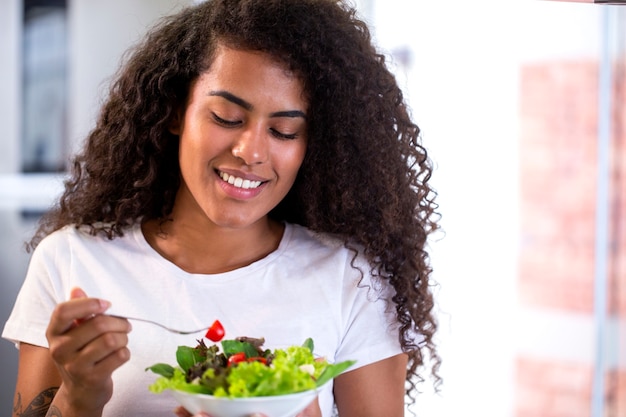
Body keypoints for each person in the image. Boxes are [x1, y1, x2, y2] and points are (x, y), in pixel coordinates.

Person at [2, 0, 441, 416]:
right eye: (227, 117)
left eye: (284, 131)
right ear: (176, 112)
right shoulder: (72, 261)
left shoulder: (353, 279)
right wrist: (80, 396)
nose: (250, 151)